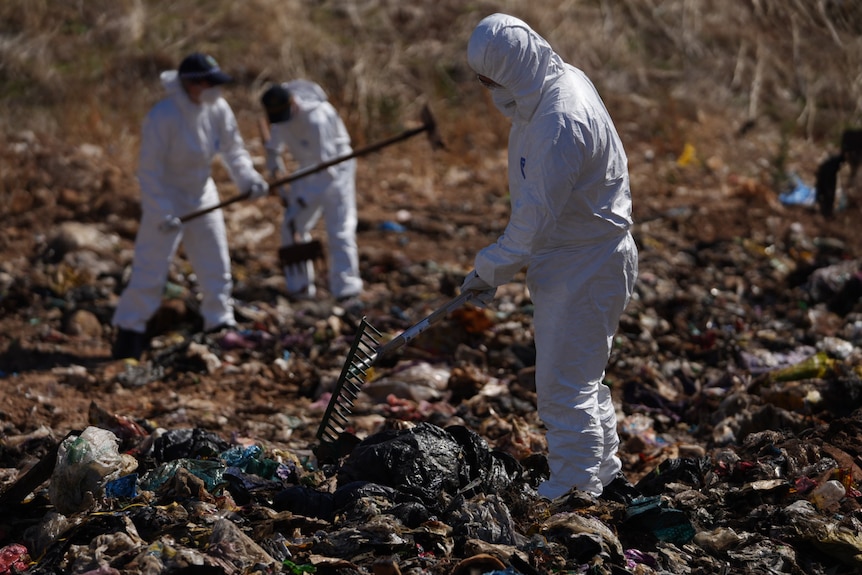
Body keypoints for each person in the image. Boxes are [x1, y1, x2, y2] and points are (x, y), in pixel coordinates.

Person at [461, 13, 639, 502]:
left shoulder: (559, 119)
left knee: (564, 384)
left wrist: (488, 270)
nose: (488, 90)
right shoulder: (547, 88)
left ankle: (574, 487)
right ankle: (602, 474)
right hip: (578, 256)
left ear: (515, 69)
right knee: (582, 376)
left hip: (584, 262)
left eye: (492, 80)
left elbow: (532, 223)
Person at [112, 52, 269, 360]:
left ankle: (218, 323)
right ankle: (130, 333)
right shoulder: (163, 116)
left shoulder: (218, 109)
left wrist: (249, 180)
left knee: (215, 262)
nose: (215, 88)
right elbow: (149, 171)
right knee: (150, 267)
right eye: (209, 82)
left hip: (202, 193)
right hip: (167, 197)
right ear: (192, 84)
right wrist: (161, 211)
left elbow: (234, 150)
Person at [260, 80, 363, 302]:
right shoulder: (281, 119)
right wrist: (274, 169)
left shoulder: (318, 118)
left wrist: (302, 199)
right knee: (291, 225)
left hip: (336, 167)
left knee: (339, 229)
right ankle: (300, 289)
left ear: (294, 103)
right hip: (308, 169)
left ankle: (347, 289)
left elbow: (327, 171)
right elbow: (273, 148)